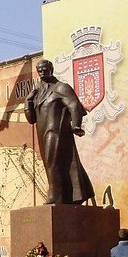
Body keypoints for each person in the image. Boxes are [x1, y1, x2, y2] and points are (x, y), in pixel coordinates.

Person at [24, 59, 95, 205]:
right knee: (52, 163)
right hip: (42, 133)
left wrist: (76, 126)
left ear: (51, 69)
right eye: (40, 70)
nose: (42, 72)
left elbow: (74, 106)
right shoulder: (38, 93)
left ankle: (55, 196)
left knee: (52, 163)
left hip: (57, 131)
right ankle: (69, 195)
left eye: (45, 69)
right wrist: (28, 101)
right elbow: (31, 119)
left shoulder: (61, 88)